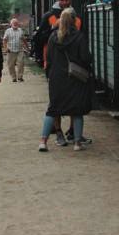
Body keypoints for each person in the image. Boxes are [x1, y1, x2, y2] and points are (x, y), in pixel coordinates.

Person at [38, 8, 93, 152]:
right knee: (76, 110)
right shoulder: (79, 37)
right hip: (74, 78)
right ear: (75, 20)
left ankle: (43, 141)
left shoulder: (53, 37)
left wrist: (50, 73)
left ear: (60, 20)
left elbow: (48, 58)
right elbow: (86, 58)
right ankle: (76, 143)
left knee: (53, 109)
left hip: (56, 78)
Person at [35, 0, 82, 146]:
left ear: (70, 0)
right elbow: (39, 36)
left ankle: (72, 131)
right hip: (54, 63)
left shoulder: (77, 18)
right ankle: (58, 131)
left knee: (73, 101)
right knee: (56, 101)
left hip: (73, 66)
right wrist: (53, 31)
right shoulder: (49, 16)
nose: (64, 2)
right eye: (61, 0)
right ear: (58, 0)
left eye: (66, 0)